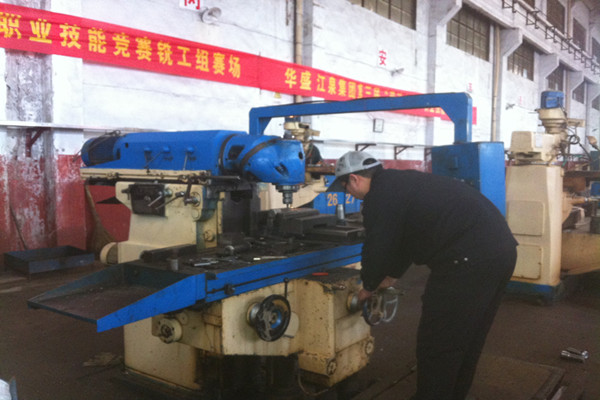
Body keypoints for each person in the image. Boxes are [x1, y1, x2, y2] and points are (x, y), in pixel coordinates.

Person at [328, 151, 518, 400]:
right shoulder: (401, 183)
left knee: (438, 341)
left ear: (354, 179)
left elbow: (378, 246)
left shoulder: (379, 197)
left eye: (345, 187)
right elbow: (407, 239)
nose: (348, 194)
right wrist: (391, 275)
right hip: (501, 252)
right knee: (467, 338)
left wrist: (368, 286)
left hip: (467, 261)